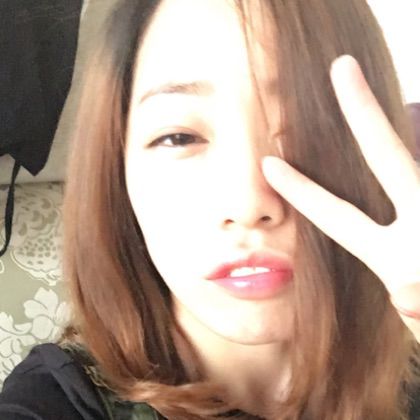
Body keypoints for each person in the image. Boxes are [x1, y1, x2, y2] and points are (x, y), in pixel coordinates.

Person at [1, 0, 420, 418]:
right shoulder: (53, 403)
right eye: (179, 137)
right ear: (117, 173)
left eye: (307, 130)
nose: (248, 204)